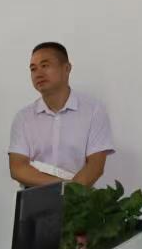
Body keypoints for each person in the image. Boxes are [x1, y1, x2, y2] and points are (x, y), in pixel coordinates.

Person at [9, 41, 115, 188]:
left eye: (45, 65)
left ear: (67, 68)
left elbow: (95, 167)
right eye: (33, 69)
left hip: (79, 198)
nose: (38, 73)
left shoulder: (94, 111)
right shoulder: (23, 118)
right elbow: (18, 168)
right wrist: (63, 188)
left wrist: (71, 193)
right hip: (35, 198)